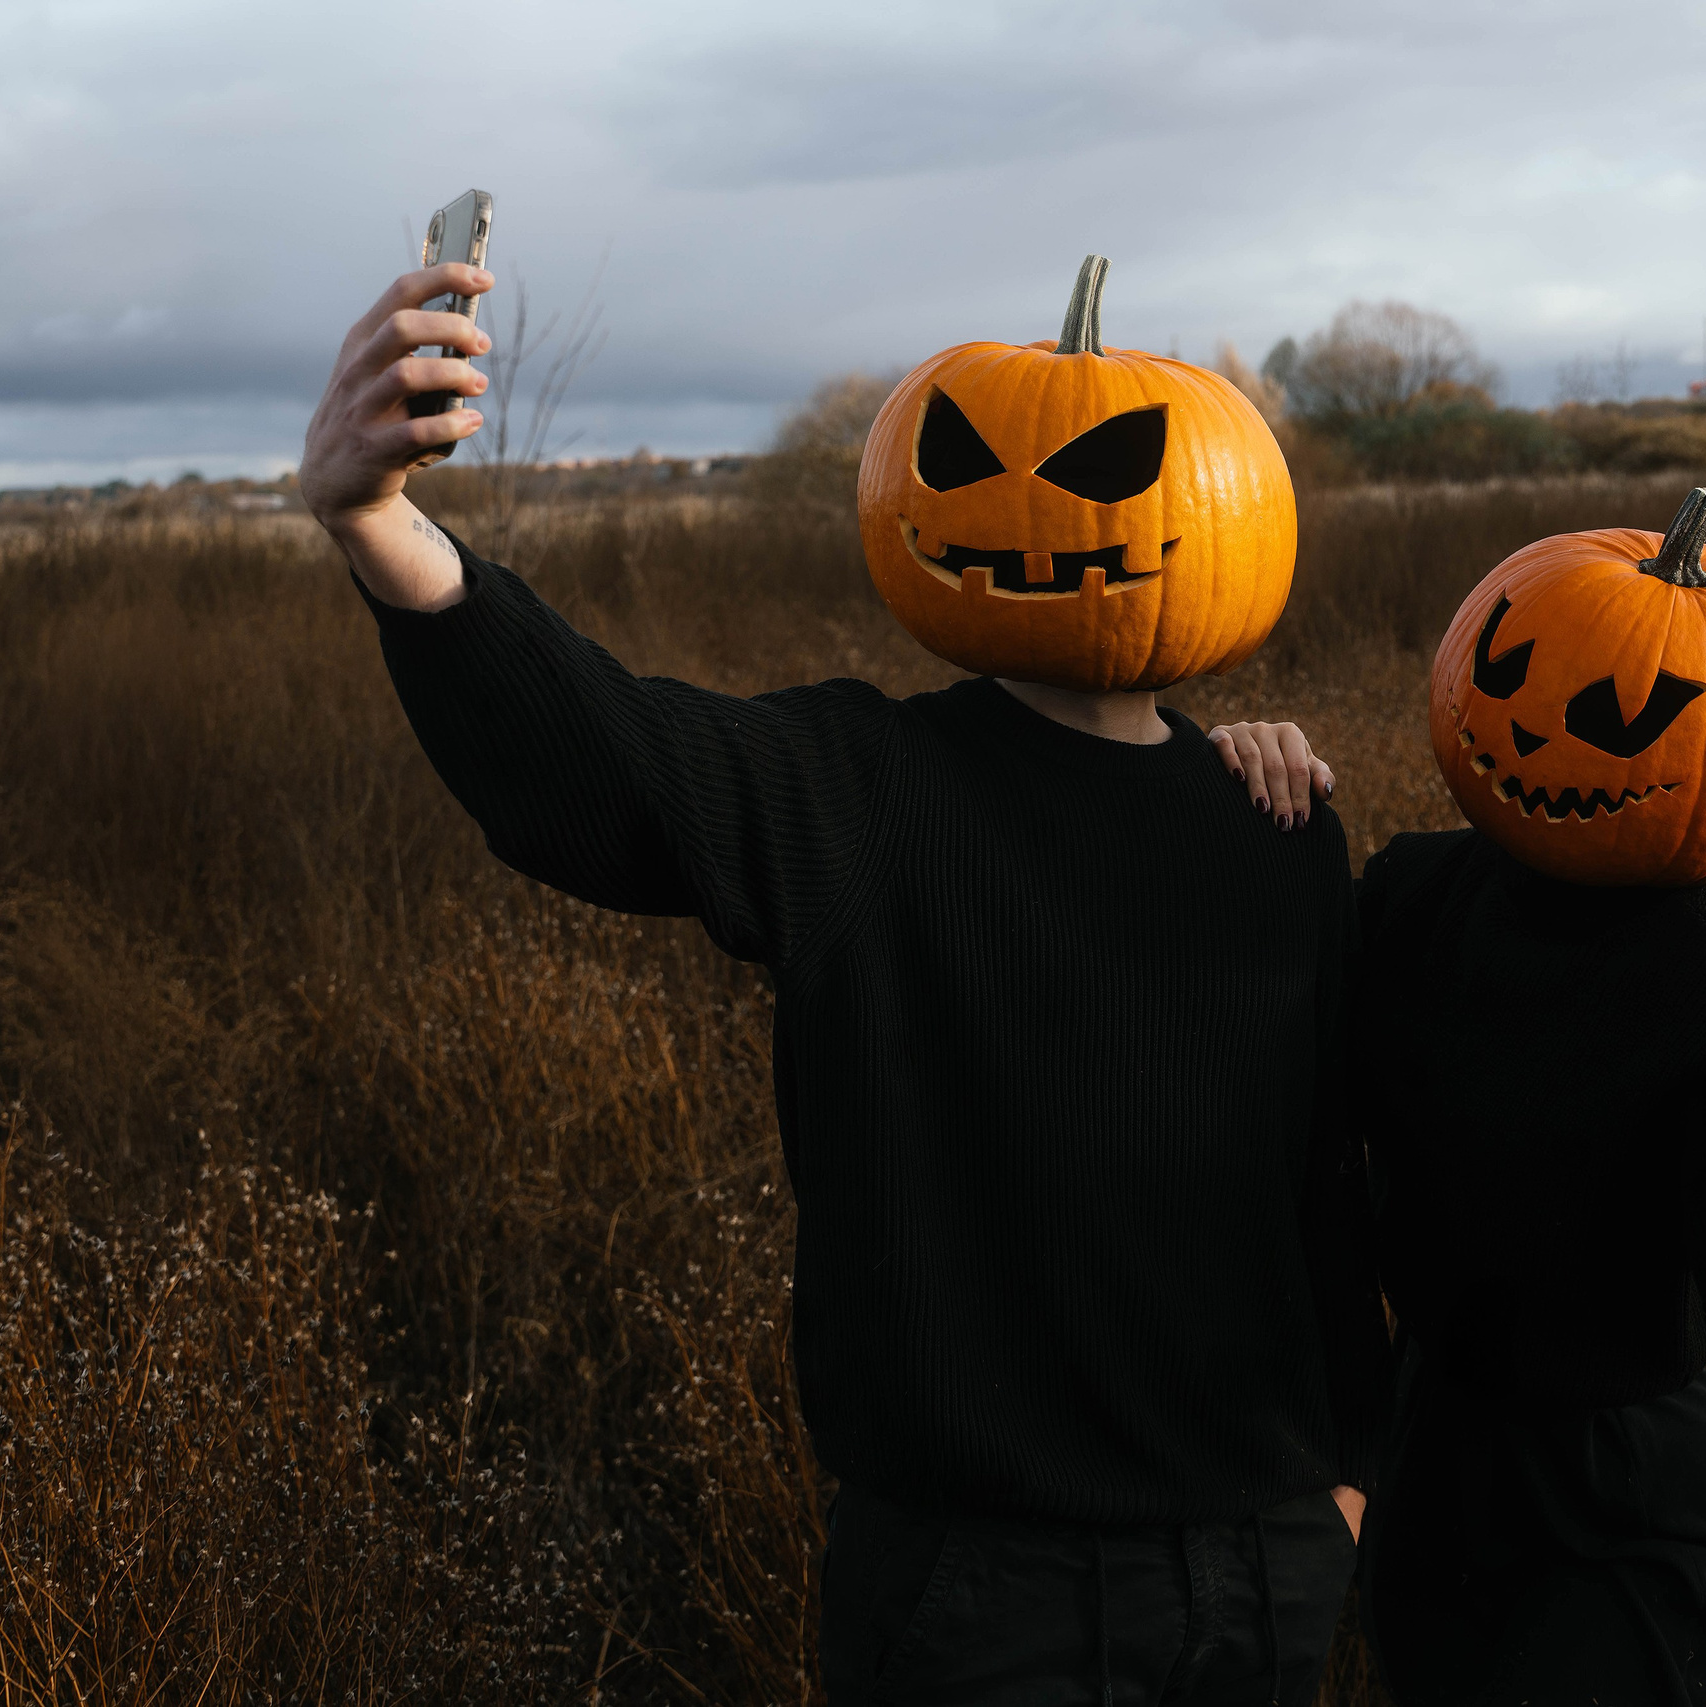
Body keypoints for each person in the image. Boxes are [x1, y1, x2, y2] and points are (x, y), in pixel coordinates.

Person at [302, 262, 1385, 1706]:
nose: (1034, 507)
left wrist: (1350, 1482)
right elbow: (603, 761)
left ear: (1220, 517)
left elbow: (1331, 1190)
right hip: (978, 1600)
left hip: (1256, 1574)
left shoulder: (1282, 832)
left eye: (1105, 472)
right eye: (961, 459)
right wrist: (379, 521)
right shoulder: (863, 787)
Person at [1209, 718, 1706, 1707]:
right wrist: (1227, 790)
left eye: (1630, 720)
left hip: (1620, 1487)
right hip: (1431, 1457)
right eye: (1515, 676)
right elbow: (1253, 1068)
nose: (1560, 737)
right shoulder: (1417, 896)